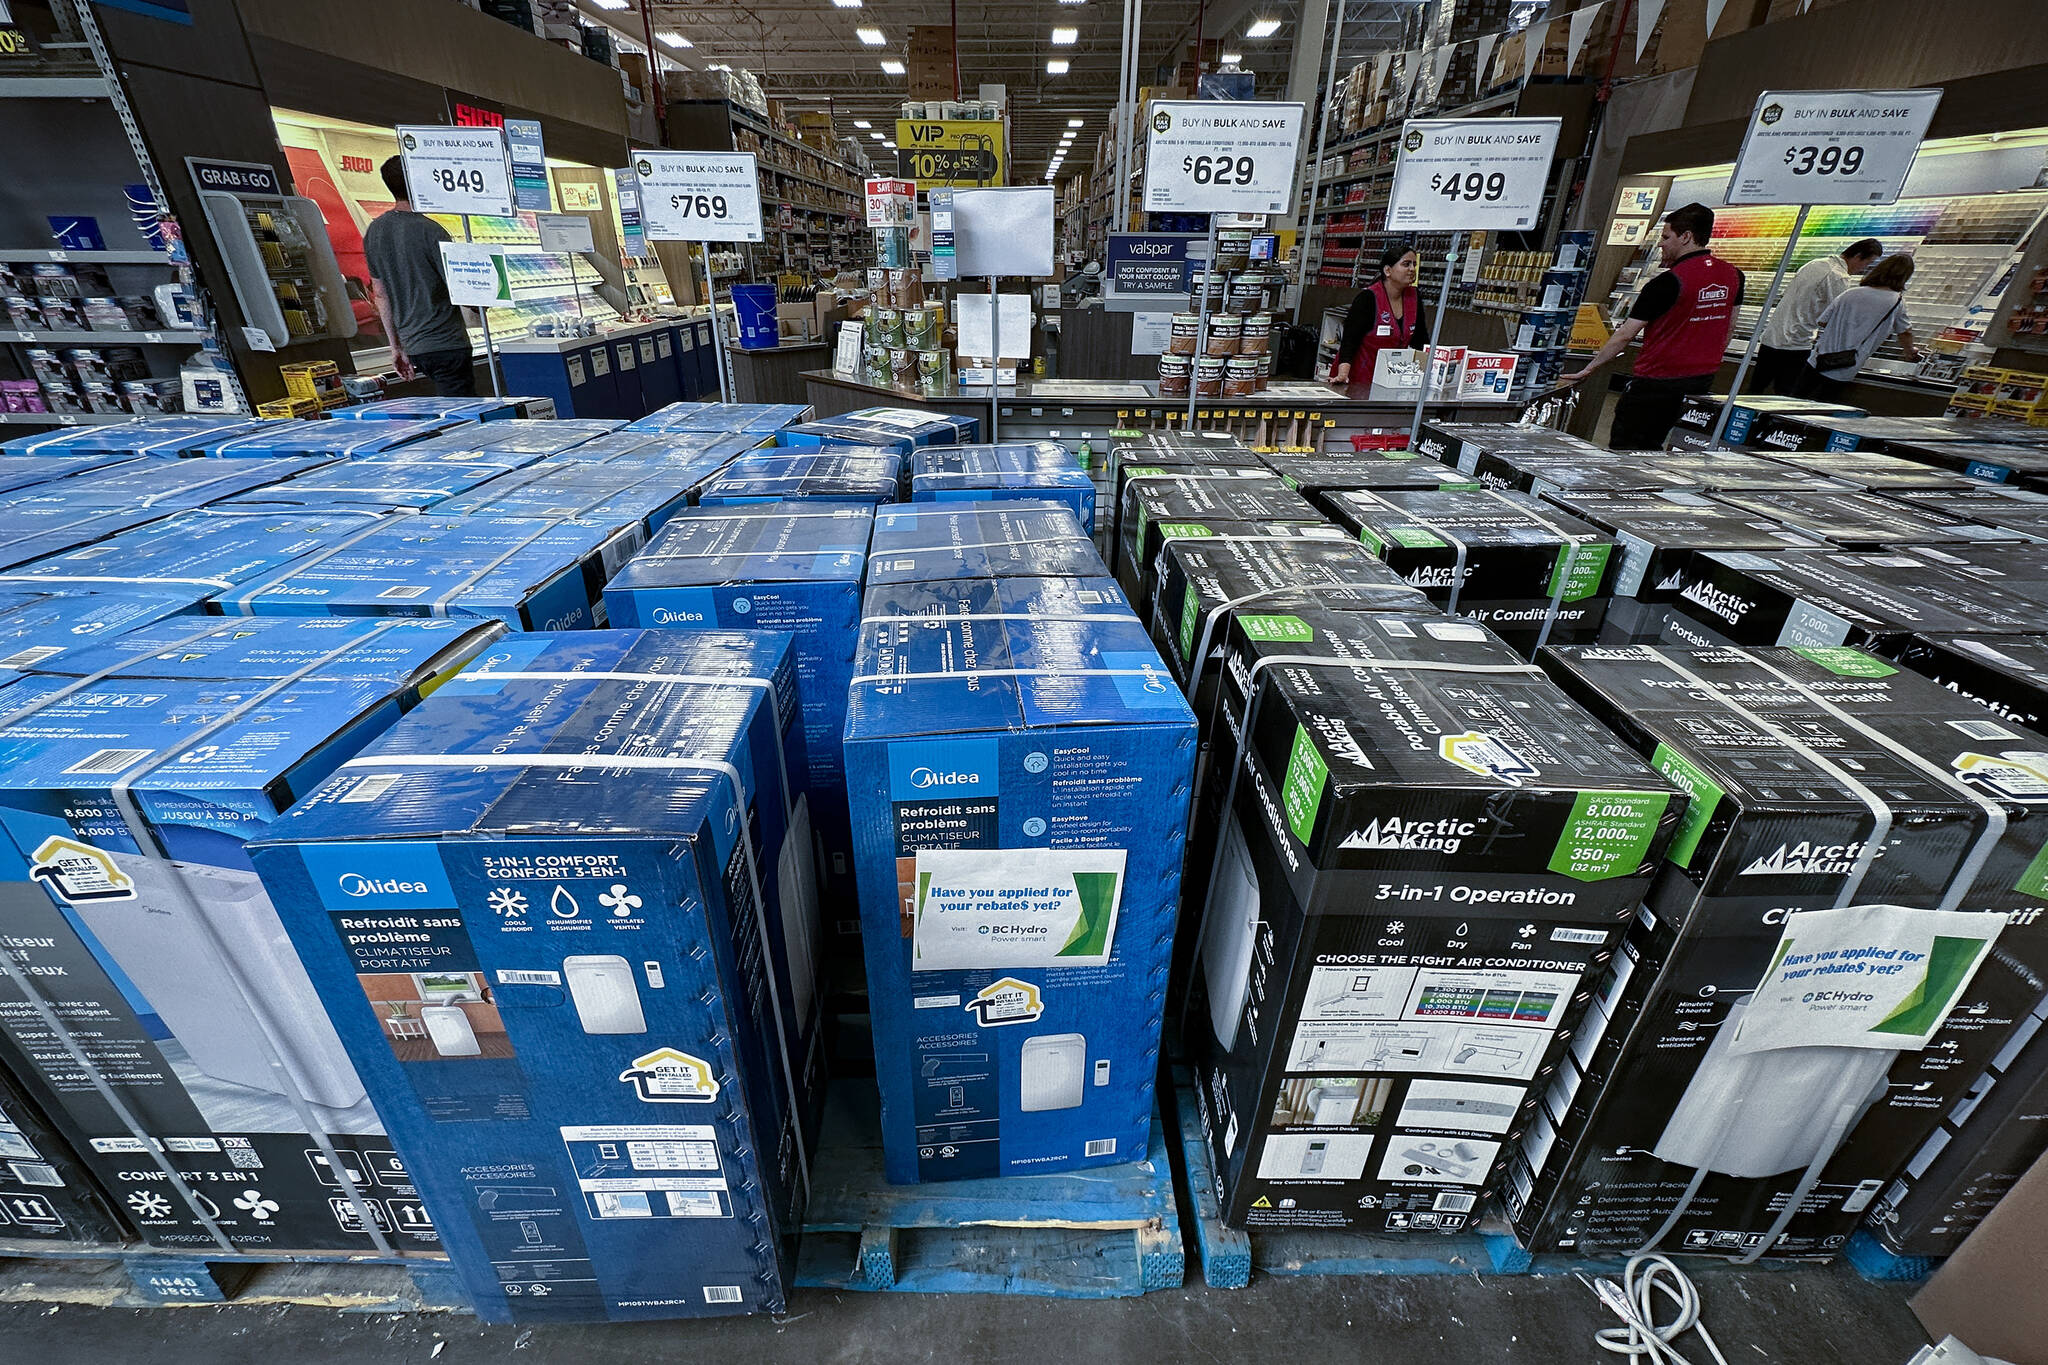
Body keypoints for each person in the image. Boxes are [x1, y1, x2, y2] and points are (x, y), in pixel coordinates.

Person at [1562, 203, 1745, 450]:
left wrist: (1590, 368)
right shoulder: (1734, 275)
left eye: (1666, 236)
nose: (1661, 243)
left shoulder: (1668, 282)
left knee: (1628, 446)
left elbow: (1625, 334)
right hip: (1701, 381)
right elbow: (1730, 327)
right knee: (1659, 446)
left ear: (1686, 237)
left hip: (1655, 383)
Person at [365, 155, 476, 396]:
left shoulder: (374, 231)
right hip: (447, 342)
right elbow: (463, 290)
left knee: (451, 412)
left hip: (415, 347)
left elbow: (381, 295)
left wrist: (395, 347)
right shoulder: (431, 230)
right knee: (465, 413)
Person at [1753, 238, 1884, 394]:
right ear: (1858, 256)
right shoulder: (1839, 277)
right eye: (1867, 263)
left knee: (1755, 388)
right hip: (1797, 342)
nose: (1864, 269)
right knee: (1784, 396)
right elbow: (1833, 317)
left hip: (1771, 337)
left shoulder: (1814, 263)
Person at [1799, 252, 1923, 400]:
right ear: (1904, 277)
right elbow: (1905, 332)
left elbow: (1823, 321)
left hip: (1817, 360)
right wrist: (1910, 351)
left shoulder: (1850, 293)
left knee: (1794, 402)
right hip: (1846, 366)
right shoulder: (1896, 302)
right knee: (1822, 408)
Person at [1331, 243, 1430, 389]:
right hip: (1358, 376)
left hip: (1391, 378)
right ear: (1388, 270)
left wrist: (1428, 372)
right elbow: (1349, 341)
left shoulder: (1414, 297)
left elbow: (1420, 340)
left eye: (1414, 264)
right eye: (1406, 264)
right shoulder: (1367, 298)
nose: (1412, 269)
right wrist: (1343, 374)